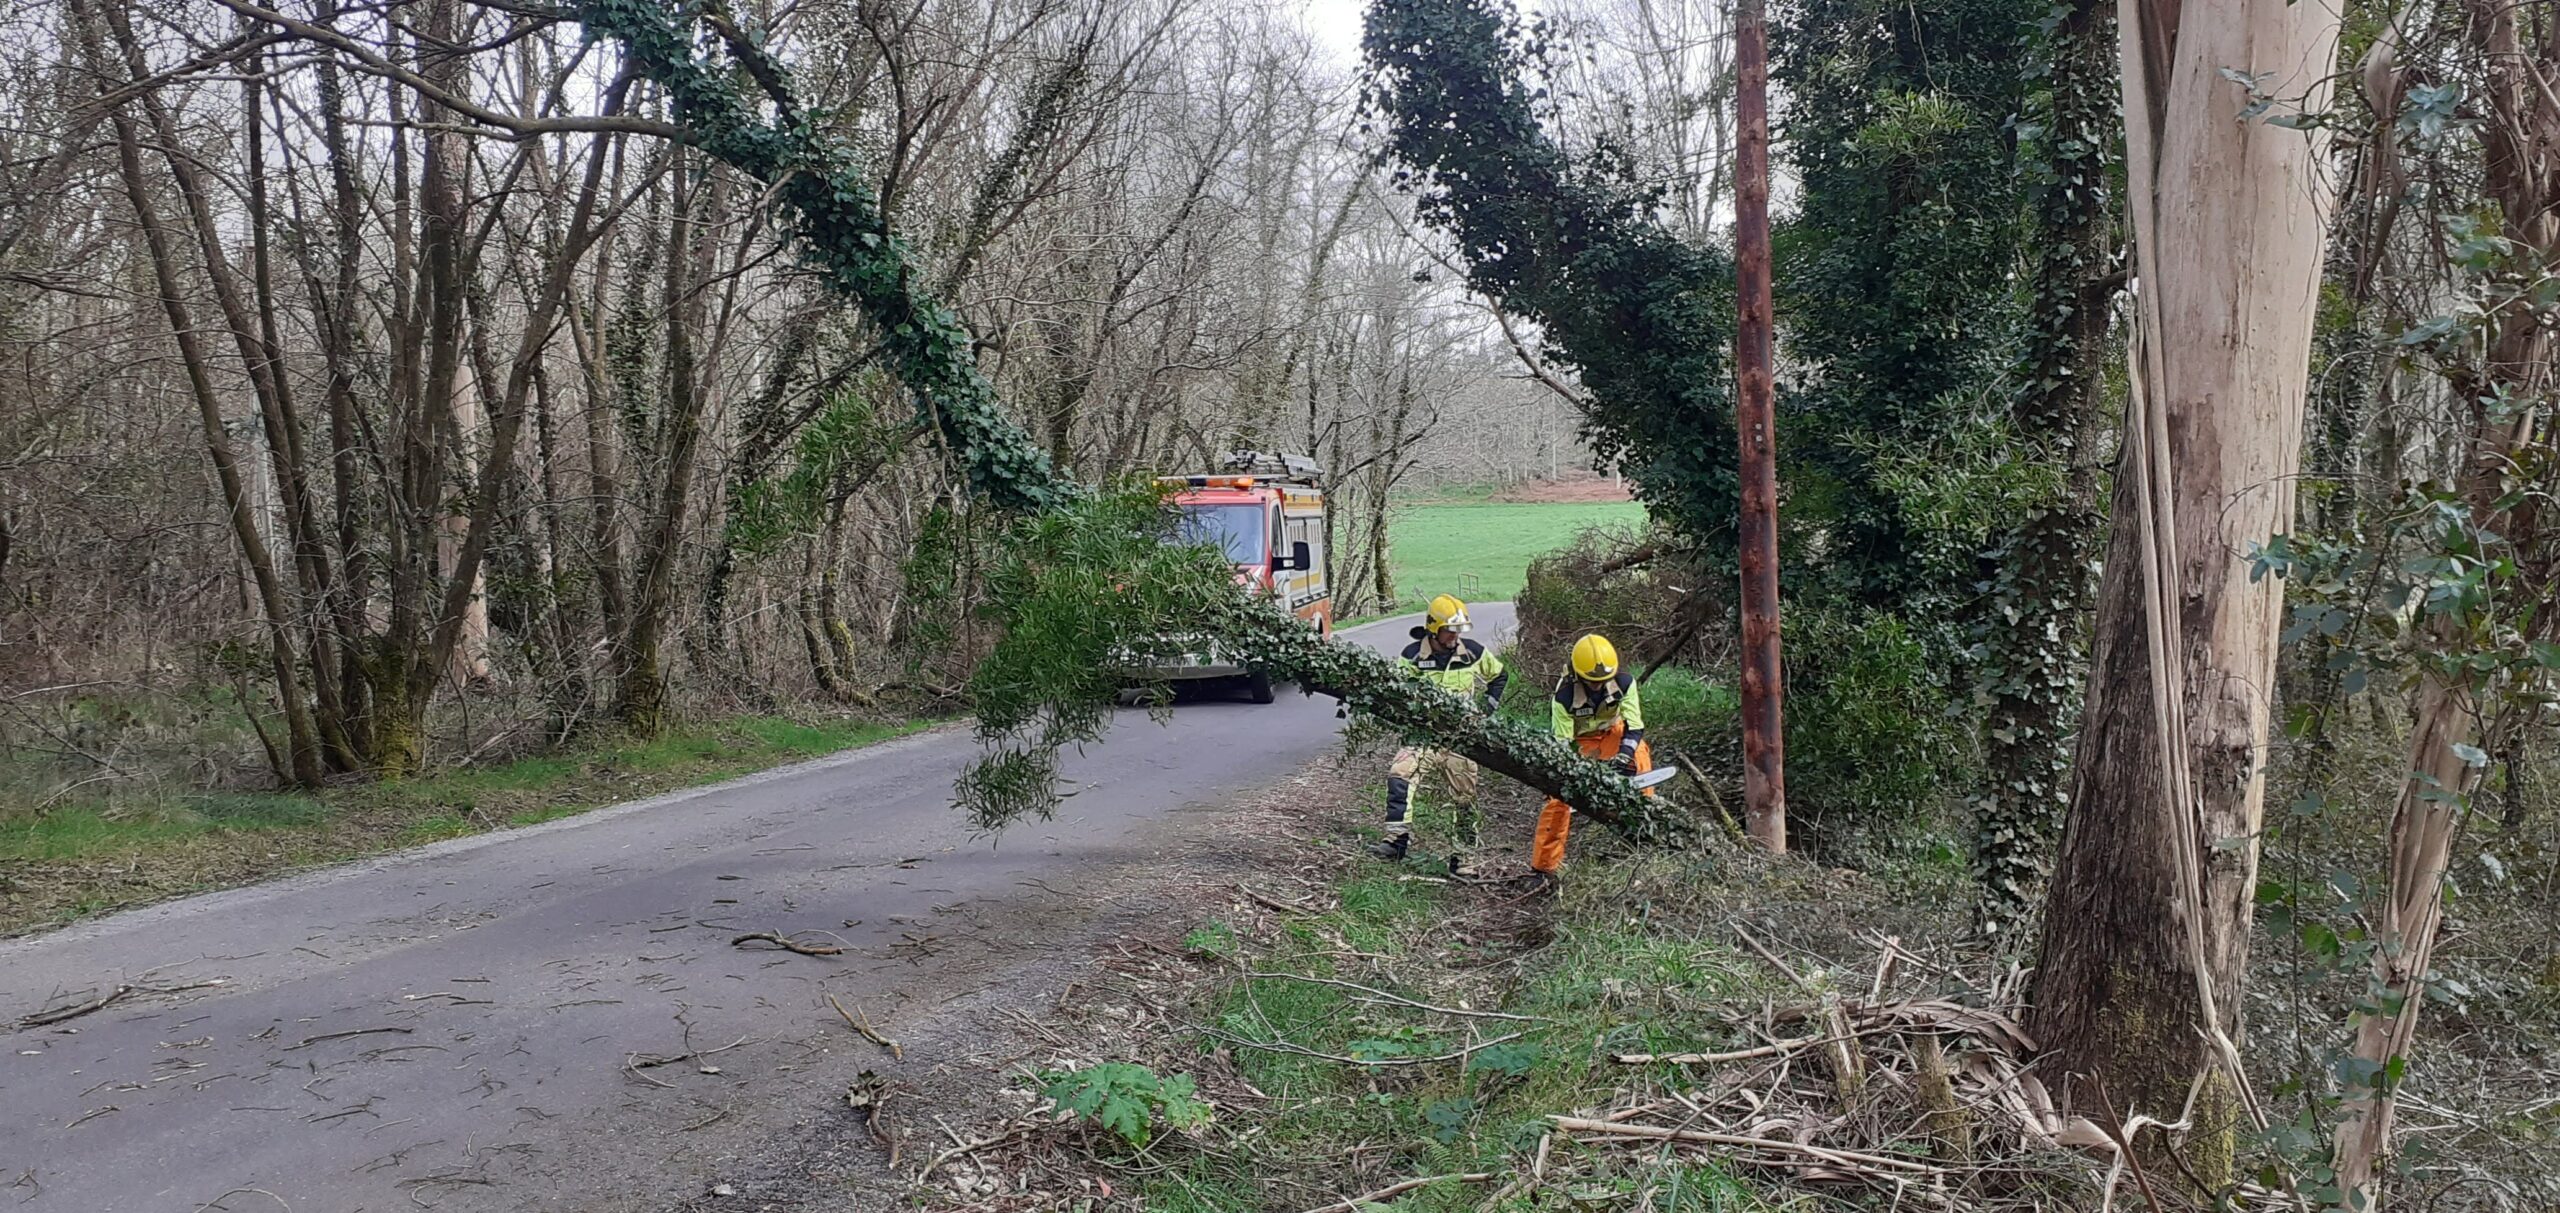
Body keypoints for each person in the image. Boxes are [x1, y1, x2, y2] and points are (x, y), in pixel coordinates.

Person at [1373, 594, 1509, 865]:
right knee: (1400, 775)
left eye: (1459, 630)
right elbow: (1397, 692)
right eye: (1449, 630)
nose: (1454, 636)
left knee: (1465, 796)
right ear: (1434, 628)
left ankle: (1464, 857)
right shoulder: (1412, 656)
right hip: (1424, 736)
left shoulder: (1473, 652)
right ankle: (1396, 840)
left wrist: (1485, 711)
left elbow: (1499, 676)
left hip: (1461, 738)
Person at [1535, 633, 1651, 877]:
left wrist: (1623, 755)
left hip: (1612, 731)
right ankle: (1544, 867)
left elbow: (1635, 725)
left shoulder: (1624, 682)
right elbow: (1562, 746)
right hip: (1579, 741)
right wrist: (1583, 771)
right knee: (1558, 797)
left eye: (1603, 680)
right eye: (1592, 681)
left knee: (1639, 757)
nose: (1598, 685)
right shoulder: (1564, 697)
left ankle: (1646, 831)